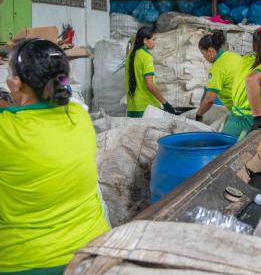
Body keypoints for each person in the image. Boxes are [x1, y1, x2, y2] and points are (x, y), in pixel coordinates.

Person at [0, 39, 110, 274]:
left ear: (17, 83)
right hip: (91, 251)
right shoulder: (78, 116)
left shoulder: (7, 131)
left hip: (28, 261)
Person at [125, 26, 175, 117]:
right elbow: (150, 84)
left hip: (132, 107)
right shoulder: (146, 56)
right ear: (145, 40)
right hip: (147, 107)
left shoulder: (130, 56)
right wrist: (165, 103)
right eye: (153, 39)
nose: (155, 43)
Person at [195, 31, 242, 122]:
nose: (204, 57)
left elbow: (209, 99)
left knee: (223, 135)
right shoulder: (234, 56)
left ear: (210, 51)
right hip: (254, 105)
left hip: (242, 112)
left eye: (203, 53)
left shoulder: (217, 68)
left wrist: (198, 114)